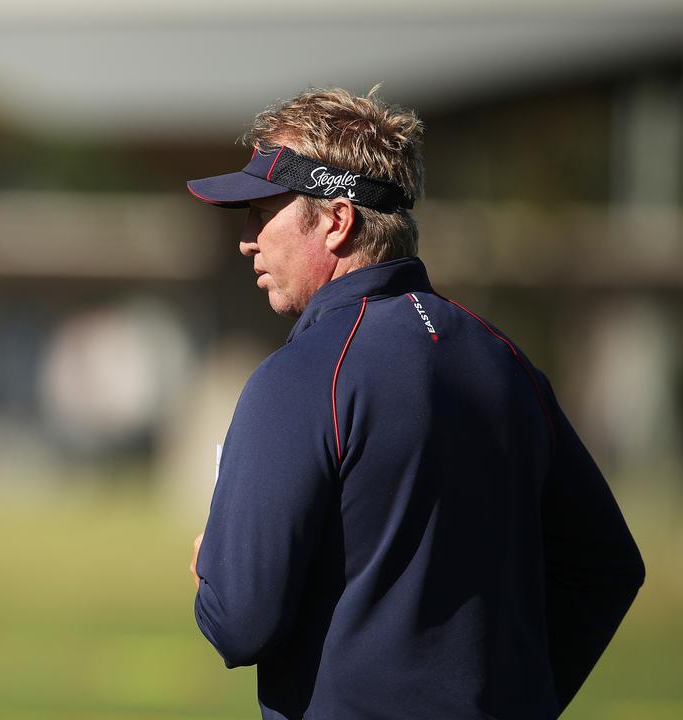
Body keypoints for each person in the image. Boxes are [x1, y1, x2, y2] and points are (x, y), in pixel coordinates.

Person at [185, 87, 645, 719]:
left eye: (262, 212)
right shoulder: (504, 361)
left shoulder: (302, 375)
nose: (246, 240)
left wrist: (213, 572)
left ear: (336, 221)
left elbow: (241, 623)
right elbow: (606, 566)